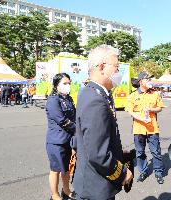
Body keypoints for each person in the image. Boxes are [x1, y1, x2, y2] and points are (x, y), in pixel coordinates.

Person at [74, 44, 133, 200]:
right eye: (116, 67)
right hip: (97, 187)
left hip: (93, 181)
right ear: (101, 67)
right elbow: (98, 154)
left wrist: (119, 153)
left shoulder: (92, 92)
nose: (118, 72)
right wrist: (122, 173)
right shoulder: (96, 100)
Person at [125, 71, 165, 184]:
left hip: (153, 128)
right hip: (138, 129)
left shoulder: (155, 93)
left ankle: (158, 172)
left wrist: (152, 109)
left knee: (156, 152)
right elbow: (130, 111)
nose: (150, 81)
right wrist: (142, 119)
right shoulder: (133, 95)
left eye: (150, 79)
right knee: (140, 152)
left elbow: (160, 107)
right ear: (141, 81)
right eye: (147, 79)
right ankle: (143, 171)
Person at [45, 73, 76, 200]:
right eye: (64, 83)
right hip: (56, 141)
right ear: (56, 85)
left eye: (69, 83)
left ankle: (66, 190)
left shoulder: (68, 99)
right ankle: (55, 195)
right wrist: (78, 130)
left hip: (69, 139)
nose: (67, 86)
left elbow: (74, 116)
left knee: (67, 168)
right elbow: (62, 120)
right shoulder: (53, 100)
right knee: (56, 169)